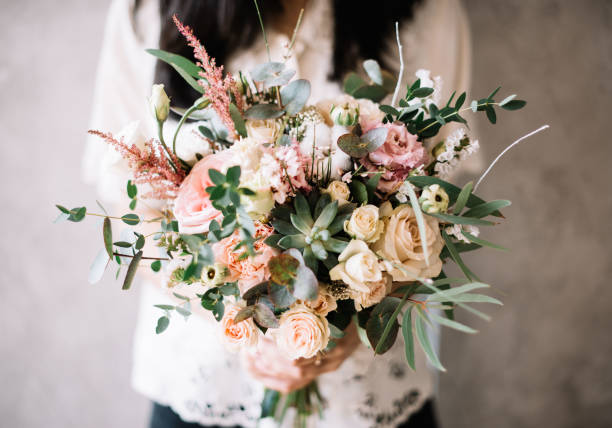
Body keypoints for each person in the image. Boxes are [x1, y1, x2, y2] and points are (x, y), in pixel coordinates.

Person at [83, 0, 474, 427]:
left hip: (364, 388)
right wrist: (238, 316)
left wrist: (364, 319)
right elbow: (130, 208)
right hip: (206, 380)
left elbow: (441, 197)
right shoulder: (146, 11)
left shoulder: (427, 11)